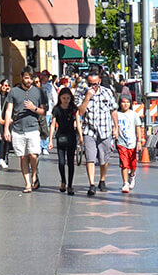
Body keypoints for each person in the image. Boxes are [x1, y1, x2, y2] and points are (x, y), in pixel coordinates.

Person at [3, 67, 47, 193]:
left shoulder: (39, 92)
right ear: (22, 77)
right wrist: (6, 128)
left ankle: (34, 172)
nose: (29, 81)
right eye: (27, 78)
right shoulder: (13, 92)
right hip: (18, 128)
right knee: (22, 157)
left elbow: (44, 111)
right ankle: (27, 183)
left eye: (31, 78)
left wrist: (34, 108)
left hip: (33, 128)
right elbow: (8, 110)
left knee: (33, 155)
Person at [77, 69, 117, 197]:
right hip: (89, 130)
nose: (92, 86)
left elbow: (114, 110)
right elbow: (81, 112)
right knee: (90, 157)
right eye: (90, 84)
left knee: (104, 159)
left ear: (99, 81)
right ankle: (92, 184)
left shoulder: (107, 93)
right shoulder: (83, 94)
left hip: (105, 130)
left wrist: (116, 127)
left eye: (95, 84)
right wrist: (87, 98)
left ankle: (102, 179)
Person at [51, 86, 81, 195]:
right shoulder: (56, 109)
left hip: (71, 136)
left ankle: (70, 185)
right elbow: (53, 124)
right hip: (60, 136)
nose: (66, 100)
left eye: (68, 98)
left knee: (70, 162)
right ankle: (63, 180)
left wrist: (81, 137)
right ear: (60, 98)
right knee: (61, 162)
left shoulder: (73, 108)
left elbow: (77, 122)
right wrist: (50, 140)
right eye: (64, 98)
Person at [115, 95, 144, 193]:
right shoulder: (117, 114)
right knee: (124, 163)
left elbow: (138, 128)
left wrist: (139, 141)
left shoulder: (134, 114)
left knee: (132, 164)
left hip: (132, 142)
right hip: (121, 142)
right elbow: (114, 126)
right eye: (123, 102)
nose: (125, 104)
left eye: (127, 102)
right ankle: (125, 182)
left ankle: (132, 175)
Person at [38, 70, 58, 156]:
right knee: (38, 128)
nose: (44, 78)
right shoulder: (38, 86)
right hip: (38, 110)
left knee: (45, 129)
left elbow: (55, 98)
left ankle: (44, 146)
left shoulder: (50, 87)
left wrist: (54, 109)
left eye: (45, 76)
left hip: (47, 111)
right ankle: (39, 146)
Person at [0, 78, 12, 170]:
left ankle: (5, 158)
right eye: (4, 85)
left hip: (7, 120)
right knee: (0, 138)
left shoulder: (8, 97)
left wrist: (9, 93)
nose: (5, 87)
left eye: (7, 86)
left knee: (7, 139)